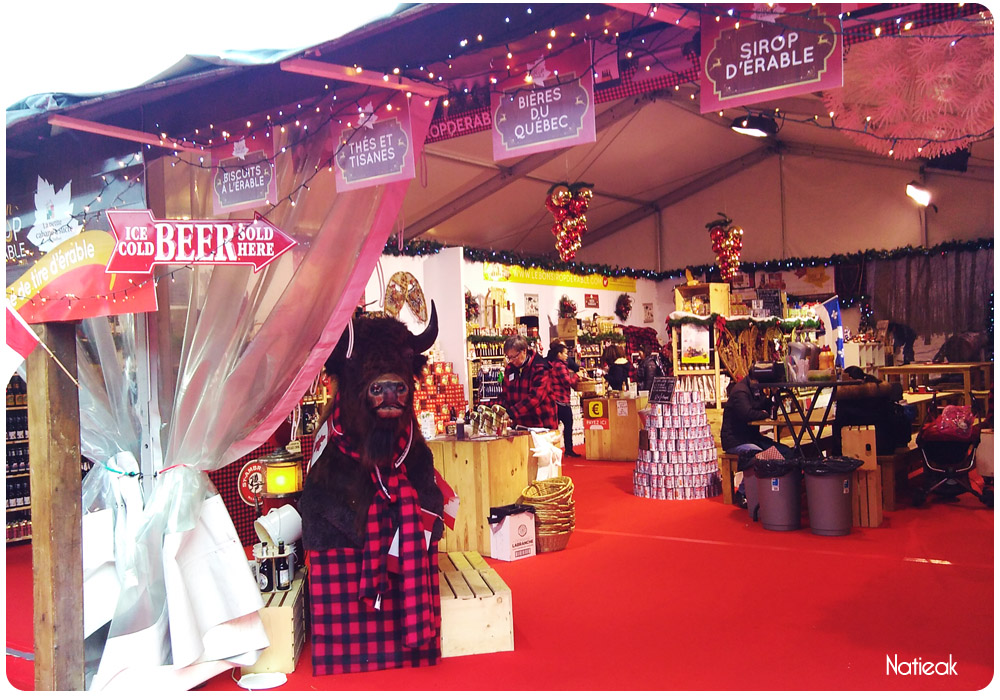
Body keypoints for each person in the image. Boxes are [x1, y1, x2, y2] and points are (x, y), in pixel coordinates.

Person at [720, 374, 791, 507]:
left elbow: (769, 406)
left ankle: (783, 488)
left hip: (752, 438)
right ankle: (743, 492)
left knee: (784, 451)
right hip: (736, 440)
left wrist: (775, 395)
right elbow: (747, 414)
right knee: (758, 455)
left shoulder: (755, 390)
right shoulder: (740, 391)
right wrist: (764, 414)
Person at [500, 335, 558, 430]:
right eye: (508, 357)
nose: (511, 361)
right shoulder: (510, 369)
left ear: (524, 351)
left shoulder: (541, 368)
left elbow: (535, 398)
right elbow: (505, 394)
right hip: (520, 425)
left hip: (542, 425)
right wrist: (500, 410)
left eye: (514, 357)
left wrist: (511, 413)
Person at [547, 341, 582, 457]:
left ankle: (554, 449)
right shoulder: (560, 365)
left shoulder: (553, 364)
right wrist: (577, 376)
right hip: (562, 400)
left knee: (555, 427)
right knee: (568, 425)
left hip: (555, 400)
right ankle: (568, 449)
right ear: (559, 354)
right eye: (565, 353)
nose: (567, 356)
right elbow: (567, 383)